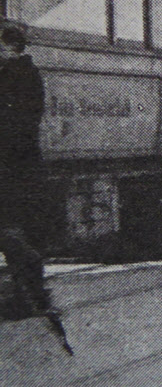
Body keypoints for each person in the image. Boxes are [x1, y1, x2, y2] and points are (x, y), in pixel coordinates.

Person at [0, 21, 51, 319]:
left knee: (12, 229)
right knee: (12, 230)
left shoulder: (23, 76)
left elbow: (21, 123)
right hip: (13, 163)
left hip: (16, 164)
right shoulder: (14, 74)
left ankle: (31, 296)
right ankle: (30, 295)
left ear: (11, 47)